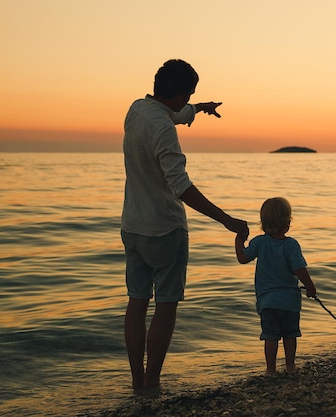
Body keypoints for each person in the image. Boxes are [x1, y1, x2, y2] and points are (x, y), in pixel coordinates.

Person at [121, 59, 248, 390]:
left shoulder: (137, 111)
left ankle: (137, 381)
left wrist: (200, 108)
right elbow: (182, 187)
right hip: (165, 229)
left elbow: (173, 113)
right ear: (177, 93)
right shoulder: (163, 128)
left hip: (133, 226)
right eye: (189, 93)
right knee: (165, 306)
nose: (190, 98)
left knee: (136, 303)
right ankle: (152, 381)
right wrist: (227, 220)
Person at [235, 197, 316, 375]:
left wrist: (239, 239)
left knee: (270, 337)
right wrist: (310, 287)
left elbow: (242, 258)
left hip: (267, 302)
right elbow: (299, 269)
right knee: (290, 334)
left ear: (263, 223)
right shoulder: (291, 245)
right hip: (289, 302)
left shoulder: (258, 242)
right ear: (287, 223)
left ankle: (270, 370)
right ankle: (290, 366)